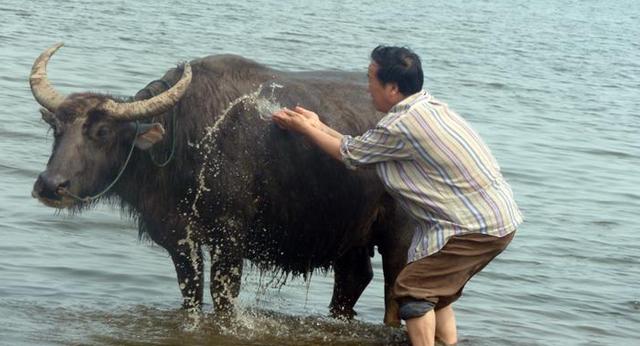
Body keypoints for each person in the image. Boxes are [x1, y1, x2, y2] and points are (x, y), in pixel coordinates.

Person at [272, 45, 523, 346]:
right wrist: (318, 125)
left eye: (371, 80)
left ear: (392, 88)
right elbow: (363, 147)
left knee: (413, 290)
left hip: (472, 228)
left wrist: (305, 130)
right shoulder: (427, 108)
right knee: (437, 294)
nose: (367, 88)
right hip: (493, 221)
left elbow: (349, 155)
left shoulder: (401, 125)